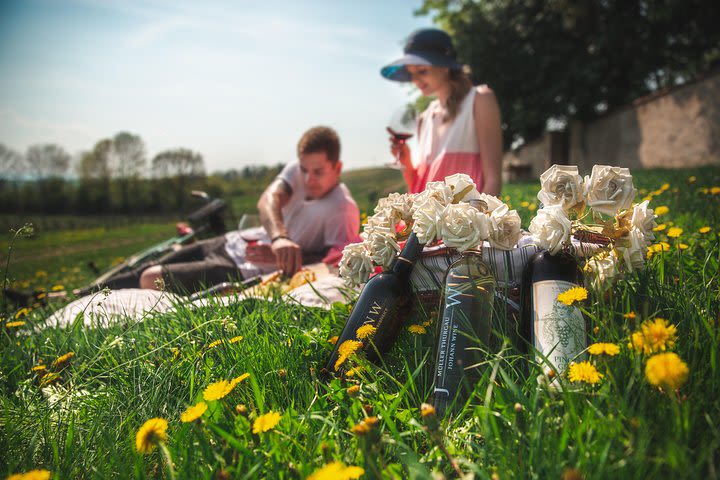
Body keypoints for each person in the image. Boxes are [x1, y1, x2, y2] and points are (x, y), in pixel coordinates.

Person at [20, 126, 360, 299]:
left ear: (338, 167)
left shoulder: (343, 209)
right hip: (232, 243)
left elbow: (332, 264)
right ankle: (58, 297)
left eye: (318, 172)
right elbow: (268, 200)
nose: (308, 179)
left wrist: (282, 257)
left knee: (152, 277)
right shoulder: (298, 172)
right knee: (151, 262)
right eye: (304, 170)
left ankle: (69, 299)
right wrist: (280, 236)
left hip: (241, 269)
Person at [381, 28, 503, 196]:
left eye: (422, 71)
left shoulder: (480, 100)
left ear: (445, 66)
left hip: (467, 218)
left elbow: (493, 180)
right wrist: (406, 162)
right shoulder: (424, 118)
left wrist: (479, 221)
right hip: (427, 221)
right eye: (411, 73)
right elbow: (419, 189)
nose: (415, 80)